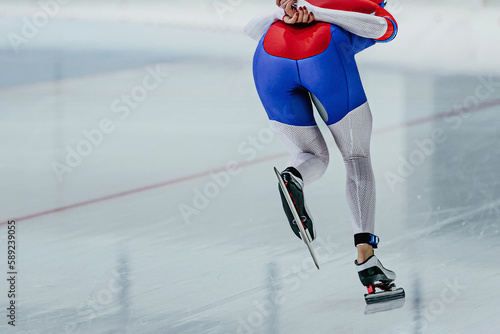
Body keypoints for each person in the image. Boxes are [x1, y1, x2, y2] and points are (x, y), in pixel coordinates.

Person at [245, 0, 401, 297]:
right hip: (324, 55)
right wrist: (317, 15)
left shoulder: (297, 3)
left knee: (311, 156)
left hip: (269, 58)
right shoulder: (369, 4)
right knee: (356, 157)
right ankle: (366, 258)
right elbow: (385, 29)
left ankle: (294, 176)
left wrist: (286, 14)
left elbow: (251, 28)